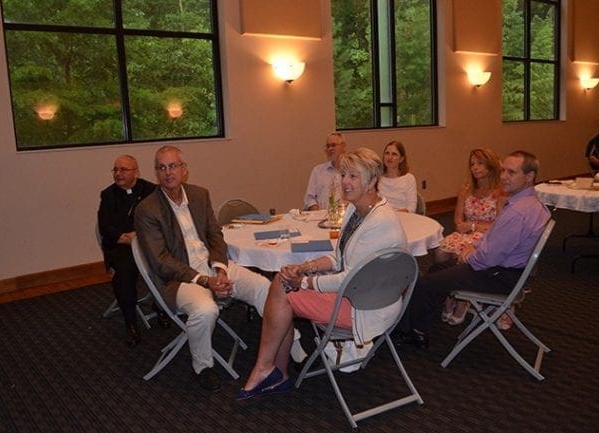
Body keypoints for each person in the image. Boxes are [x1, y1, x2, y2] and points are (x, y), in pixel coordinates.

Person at [237, 148, 407, 400]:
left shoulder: (380, 221)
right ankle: (271, 371)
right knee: (282, 284)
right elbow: (339, 258)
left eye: (353, 176)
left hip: (367, 307)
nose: (345, 182)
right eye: (344, 175)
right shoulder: (355, 210)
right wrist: (306, 267)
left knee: (282, 291)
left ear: (372, 181)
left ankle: (270, 370)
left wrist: (303, 282)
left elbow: (346, 278)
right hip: (361, 294)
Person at [134, 145, 270, 392]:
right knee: (206, 310)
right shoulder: (148, 209)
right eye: (161, 168)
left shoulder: (199, 195)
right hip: (179, 280)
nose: (168, 173)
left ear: (184, 170)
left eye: (173, 166)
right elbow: (160, 260)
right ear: (156, 173)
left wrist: (219, 269)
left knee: (264, 287)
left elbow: (215, 235)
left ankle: (293, 349)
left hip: (213, 267)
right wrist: (205, 281)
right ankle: (203, 367)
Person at [395, 150, 550, 348]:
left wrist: (468, 257)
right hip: (505, 270)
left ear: (529, 177)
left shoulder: (519, 212)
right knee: (436, 271)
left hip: (498, 275)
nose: (503, 176)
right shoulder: (530, 203)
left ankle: (411, 332)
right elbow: (495, 235)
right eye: (503, 171)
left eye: (511, 173)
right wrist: (473, 245)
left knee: (427, 284)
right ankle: (419, 321)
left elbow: (488, 257)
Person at [98, 155, 166, 347]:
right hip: (122, 247)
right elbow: (105, 226)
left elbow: (161, 219)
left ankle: (162, 306)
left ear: (136, 171)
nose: (118, 174)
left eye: (123, 170)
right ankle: (131, 323)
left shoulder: (151, 190)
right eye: (115, 170)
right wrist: (125, 238)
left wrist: (140, 236)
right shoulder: (107, 195)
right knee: (124, 274)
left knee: (168, 263)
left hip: (149, 244)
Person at [433, 148, 506, 326]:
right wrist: (463, 226)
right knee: (440, 251)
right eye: (472, 164)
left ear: (490, 165)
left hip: (486, 236)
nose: (475, 168)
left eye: (480, 163)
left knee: (463, 256)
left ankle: (462, 300)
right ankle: (449, 293)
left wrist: (473, 226)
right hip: (465, 232)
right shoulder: (466, 189)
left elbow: (499, 225)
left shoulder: (499, 192)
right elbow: (458, 219)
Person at [303, 132, 347, 211]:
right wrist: (318, 214)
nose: (330, 149)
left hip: (346, 218)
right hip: (321, 218)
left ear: (343, 146)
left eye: (333, 145)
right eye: (328, 146)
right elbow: (309, 199)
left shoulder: (352, 171)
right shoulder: (318, 171)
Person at [378, 140, 418, 213]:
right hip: (381, 218)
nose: (389, 157)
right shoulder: (377, 178)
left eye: (394, 154)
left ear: (401, 159)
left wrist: (393, 214)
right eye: (387, 153)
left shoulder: (409, 179)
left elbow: (411, 209)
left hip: (403, 217)